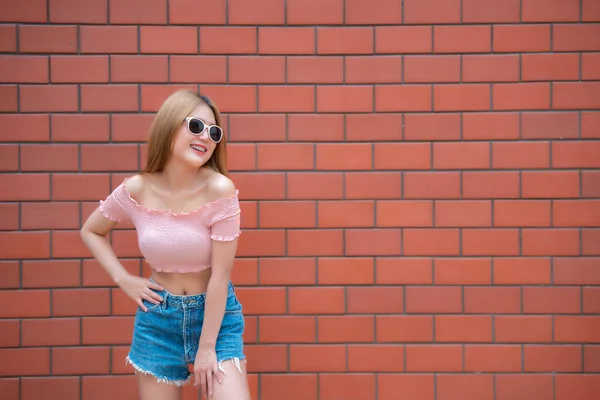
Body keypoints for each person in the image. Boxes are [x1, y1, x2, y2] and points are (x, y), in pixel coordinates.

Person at [80, 90, 251, 400]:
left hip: (216, 318)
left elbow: (220, 275)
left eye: (214, 132)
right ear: (170, 125)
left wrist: (207, 346)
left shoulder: (219, 189)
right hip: (158, 319)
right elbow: (91, 231)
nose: (207, 137)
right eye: (196, 126)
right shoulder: (137, 188)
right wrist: (123, 279)